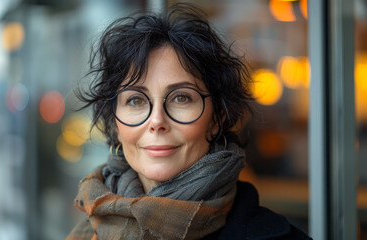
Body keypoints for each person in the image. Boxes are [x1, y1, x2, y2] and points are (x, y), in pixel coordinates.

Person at [66, 3, 311, 240]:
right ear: (116, 122)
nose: (157, 121)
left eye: (181, 98)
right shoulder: (89, 231)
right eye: (135, 101)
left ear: (217, 118)